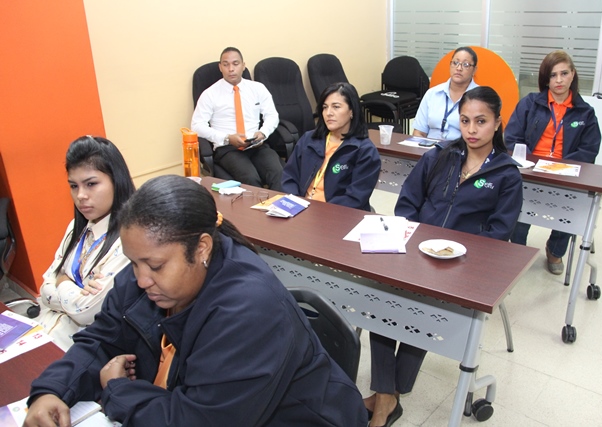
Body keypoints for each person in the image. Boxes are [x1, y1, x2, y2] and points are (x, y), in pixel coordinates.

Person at [25, 175, 368, 427]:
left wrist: (116, 390)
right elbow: (101, 338)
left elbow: (198, 420)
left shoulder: (249, 310)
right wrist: (52, 391)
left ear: (201, 248)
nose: (140, 279)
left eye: (155, 266)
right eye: (133, 262)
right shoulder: (149, 270)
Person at [366, 86, 523, 427]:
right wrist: (415, 240)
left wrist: (456, 252)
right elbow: (407, 202)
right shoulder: (438, 156)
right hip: (416, 252)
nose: (471, 129)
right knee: (380, 297)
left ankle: (388, 395)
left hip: (461, 267)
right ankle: (386, 394)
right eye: (465, 121)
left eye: (481, 121)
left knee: (421, 308)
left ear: (497, 123)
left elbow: (499, 233)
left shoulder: (506, 174)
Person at [505, 50, 601, 275]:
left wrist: (562, 167)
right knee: (518, 205)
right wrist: (531, 162)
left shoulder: (585, 113)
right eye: (553, 75)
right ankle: (518, 250)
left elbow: (589, 150)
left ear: (572, 74)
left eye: (564, 73)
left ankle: (555, 251)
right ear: (545, 79)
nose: (559, 80)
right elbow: (512, 138)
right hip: (530, 171)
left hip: (564, 173)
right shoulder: (529, 104)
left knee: (570, 210)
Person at [35, 136, 135, 351]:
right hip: (43, 333)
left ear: (116, 181)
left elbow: (86, 312)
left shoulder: (130, 238)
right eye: (74, 186)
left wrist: (62, 280)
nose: (80, 195)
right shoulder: (76, 227)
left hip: (82, 350)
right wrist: (75, 291)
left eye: (91, 184)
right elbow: (43, 290)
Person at [191, 47, 283, 190]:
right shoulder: (210, 94)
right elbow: (197, 125)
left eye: (235, 64)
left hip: (256, 145)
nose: (231, 69)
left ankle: (281, 204)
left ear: (243, 65)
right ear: (220, 67)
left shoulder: (258, 88)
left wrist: (263, 133)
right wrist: (227, 138)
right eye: (226, 64)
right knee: (250, 179)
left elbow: (272, 115)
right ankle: (257, 206)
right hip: (228, 149)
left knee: (278, 174)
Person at [281, 82, 381, 211]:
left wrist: (319, 211)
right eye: (325, 107)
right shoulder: (309, 139)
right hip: (300, 209)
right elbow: (289, 176)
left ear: (352, 111)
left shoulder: (365, 151)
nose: (328, 113)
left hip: (336, 214)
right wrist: (295, 203)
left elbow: (355, 198)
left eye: (336, 107)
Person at [412, 46, 479, 141]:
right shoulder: (432, 94)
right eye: (455, 63)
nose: (459, 68)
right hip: (430, 148)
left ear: (474, 70)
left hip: (462, 148)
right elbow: (419, 132)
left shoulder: (481, 98)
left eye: (466, 64)